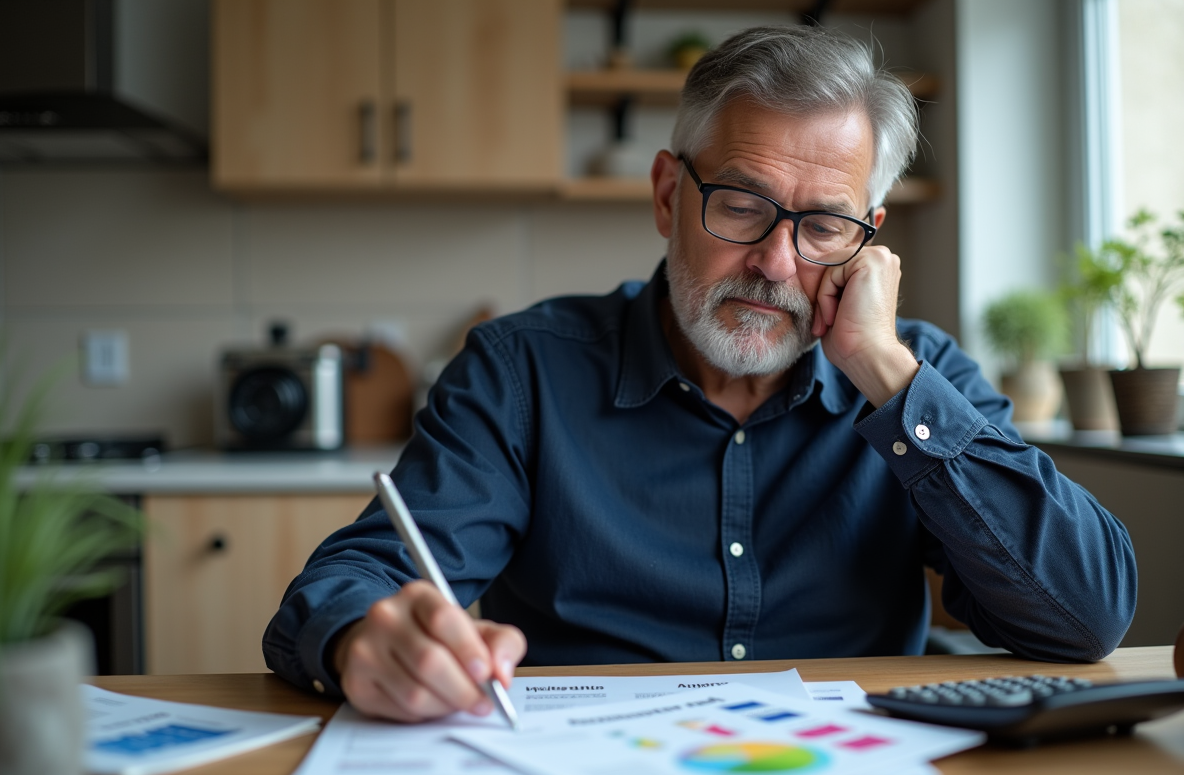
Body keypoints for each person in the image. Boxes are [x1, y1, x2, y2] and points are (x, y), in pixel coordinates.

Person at [264, 25, 1136, 723]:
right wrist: (362, 641)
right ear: (666, 195)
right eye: (743, 206)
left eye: (824, 226)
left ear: (869, 238)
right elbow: (355, 584)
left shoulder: (918, 378)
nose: (775, 263)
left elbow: (1085, 617)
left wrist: (884, 371)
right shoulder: (521, 370)